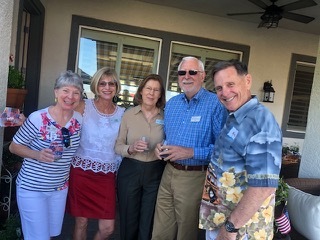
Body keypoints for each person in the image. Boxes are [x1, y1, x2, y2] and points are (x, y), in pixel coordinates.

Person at [198, 59, 282, 240]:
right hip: (222, 221)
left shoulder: (260, 122)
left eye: (230, 84)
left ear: (248, 81)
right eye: (219, 88)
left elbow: (264, 186)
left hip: (241, 231)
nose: (224, 92)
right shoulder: (235, 116)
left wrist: (230, 228)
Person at [152, 56, 227, 240]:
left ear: (202, 76)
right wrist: (160, 147)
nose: (187, 76)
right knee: (161, 229)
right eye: (182, 72)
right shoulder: (172, 104)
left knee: (186, 231)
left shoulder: (215, 104)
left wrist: (191, 152)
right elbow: (168, 138)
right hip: (168, 172)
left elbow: (223, 150)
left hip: (194, 176)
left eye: (192, 72)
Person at [9, 70, 83, 240]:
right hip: (33, 189)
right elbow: (14, 147)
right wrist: (37, 154)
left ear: (80, 97)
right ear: (56, 92)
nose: (70, 96)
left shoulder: (78, 120)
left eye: (75, 92)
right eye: (65, 90)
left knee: (50, 234)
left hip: (59, 189)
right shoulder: (37, 118)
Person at [66, 67, 125, 240]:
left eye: (111, 83)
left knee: (107, 228)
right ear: (96, 86)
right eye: (102, 83)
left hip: (107, 175)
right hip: (81, 171)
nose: (107, 87)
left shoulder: (123, 113)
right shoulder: (83, 105)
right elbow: (62, 120)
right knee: (81, 223)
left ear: (116, 86)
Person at [115, 74, 166, 240]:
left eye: (156, 90)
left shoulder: (166, 117)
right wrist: (131, 148)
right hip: (130, 170)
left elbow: (170, 142)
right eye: (148, 88)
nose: (151, 93)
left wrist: (163, 148)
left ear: (160, 94)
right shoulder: (129, 114)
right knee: (128, 218)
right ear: (141, 91)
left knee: (148, 220)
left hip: (155, 172)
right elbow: (118, 146)